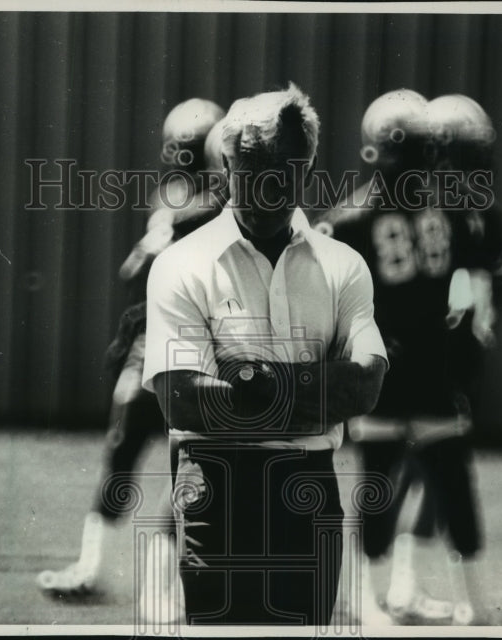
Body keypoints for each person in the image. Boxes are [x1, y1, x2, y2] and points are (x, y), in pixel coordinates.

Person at [143, 83, 388, 625]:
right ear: (227, 164)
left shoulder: (343, 264)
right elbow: (182, 401)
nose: (270, 186)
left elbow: (367, 384)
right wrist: (311, 388)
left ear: (309, 166)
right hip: (216, 486)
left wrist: (249, 381)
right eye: (253, 169)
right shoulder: (182, 263)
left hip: (309, 484)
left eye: (287, 168)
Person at [318, 91, 502, 626]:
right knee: (444, 484)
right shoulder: (451, 211)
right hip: (428, 367)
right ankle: (461, 600)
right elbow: (485, 269)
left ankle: (371, 598)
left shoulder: (349, 217)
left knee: (389, 487)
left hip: (389, 368)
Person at [36, 99, 226, 619]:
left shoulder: (193, 202)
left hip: (180, 350)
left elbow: (135, 268)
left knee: (171, 463)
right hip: (171, 349)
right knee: (153, 460)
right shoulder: (198, 203)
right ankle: (115, 572)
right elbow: (143, 266)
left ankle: (141, 580)